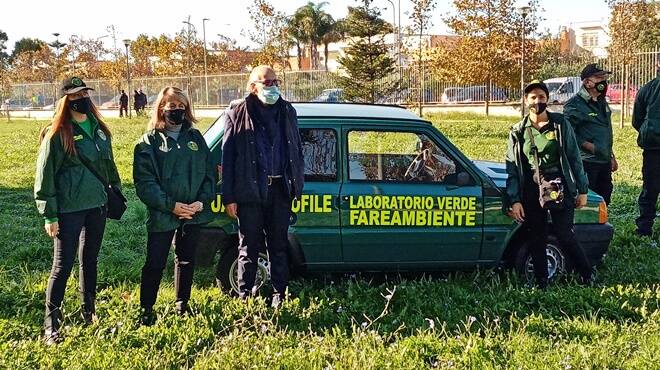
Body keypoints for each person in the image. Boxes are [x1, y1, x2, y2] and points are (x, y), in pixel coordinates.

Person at [34, 76, 121, 344]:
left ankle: (89, 312)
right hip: (69, 210)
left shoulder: (99, 129)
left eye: (83, 93)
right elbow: (45, 175)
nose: (80, 99)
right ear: (65, 100)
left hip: (96, 206)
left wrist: (114, 191)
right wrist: (49, 213)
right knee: (61, 265)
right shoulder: (58, 132)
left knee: (90, 261)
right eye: (74, 96)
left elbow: (108, 165)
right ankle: (52, 324)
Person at [221, 65, 305, 307]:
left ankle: (280, 295)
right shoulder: (237, 113)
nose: (273, 86)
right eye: (267, 82)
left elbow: (296, 150)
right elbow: (228, 158)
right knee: (248, 247)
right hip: (249, 192)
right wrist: (229, 197)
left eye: (276, 81)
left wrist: (296, 185)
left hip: (280, 190)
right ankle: (245, 297)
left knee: (279, 246)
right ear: (253, 86)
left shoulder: (287, 111)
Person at [133, 86, 215, 325]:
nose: (177, 110)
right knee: (155, 262)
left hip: (193, 213)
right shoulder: (149, 141)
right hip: (164, 214)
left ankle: (182, 303)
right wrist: (171, 206)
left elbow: (210, 173)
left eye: (182, 107)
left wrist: (201, 201)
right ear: (161, 108)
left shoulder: (195, 138)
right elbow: (145, 182)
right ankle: (147, 308)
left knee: (186, 259)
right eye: (172, 106)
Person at [505, 80, 593, 288]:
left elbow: (574, 157)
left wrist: (582, 190)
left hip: (559, 185)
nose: (538, 101)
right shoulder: (518, 131)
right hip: (532, 187)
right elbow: (512, 168)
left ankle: (587, 273)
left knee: (564, 233)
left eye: (541, 97)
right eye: (533, 97)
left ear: (548, 99)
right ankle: (541, 280)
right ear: (526, 101)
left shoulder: (560, 124)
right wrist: (514, 199)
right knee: (537, 235)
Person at [564, 63, 618, 205]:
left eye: (605, 78)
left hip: (604, 161)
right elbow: (568, 133)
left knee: (604, 199)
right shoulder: (574, 104)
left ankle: (600, 226)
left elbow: (604, 131)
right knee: (588, 201)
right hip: (586, 162)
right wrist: (589, 146)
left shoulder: (602, 103)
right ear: (587, 82)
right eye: (599, 78)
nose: (604, 82)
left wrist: (610, 155)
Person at [632, 60, 660, 239]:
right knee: (650, 188)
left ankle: (644, 229)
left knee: (650, 188)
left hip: (652, 147)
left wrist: (648, 131)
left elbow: (637, 119)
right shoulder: (648, 89)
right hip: (653, 147)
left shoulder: (647, 88)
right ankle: (643, 228)